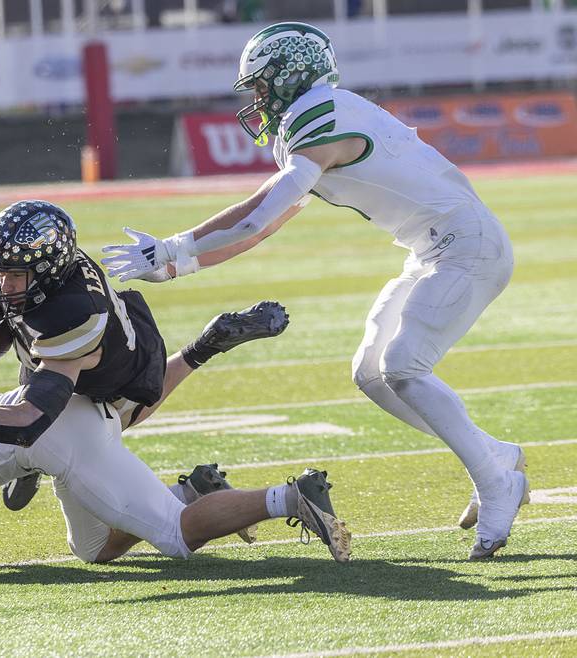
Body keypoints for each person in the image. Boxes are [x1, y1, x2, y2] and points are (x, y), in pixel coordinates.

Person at [100, 22, 528, 560]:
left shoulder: (317, 114)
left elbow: (259, 217)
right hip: (435, 249)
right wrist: (176, 264)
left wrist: (171, 249)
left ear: (288, 76)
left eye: (260, 85)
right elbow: (266, 221)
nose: (256, 98)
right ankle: (496, 457)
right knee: (371, 374)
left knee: (403, 366)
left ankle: (496, 483)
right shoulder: (317, 117)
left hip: (467, 246)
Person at [0, 200, 289, 546]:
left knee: (108, 423)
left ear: (46, 270)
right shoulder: (46, 273)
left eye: (12, 275)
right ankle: (35, 465)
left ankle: (206, 347)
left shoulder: (70, 316)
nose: (1, 284)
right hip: (105, 333)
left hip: (120, 374)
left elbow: (32, 418)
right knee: (44, 397)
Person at [0, 408, 351, 580]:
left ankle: (291, 497)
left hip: (56, 443)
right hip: (48, 434)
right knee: (94, 550)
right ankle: (189, 490)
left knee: (174, 541)